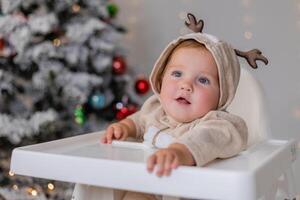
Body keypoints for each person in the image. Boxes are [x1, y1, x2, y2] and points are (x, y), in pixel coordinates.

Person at [101, 13, 267, 200]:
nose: (186, 85)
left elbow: (207, 138)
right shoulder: (155, 109)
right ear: (161, 78)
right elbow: (139, 121)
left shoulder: (221, 124)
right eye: (177, 73)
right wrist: (125, 127)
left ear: (222, 94)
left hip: (192, 192)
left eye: (203, 80)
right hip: (148, 184)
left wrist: (181, 151)